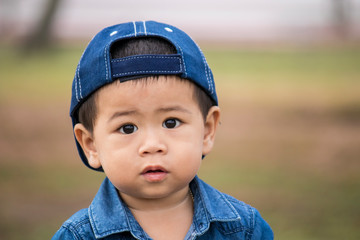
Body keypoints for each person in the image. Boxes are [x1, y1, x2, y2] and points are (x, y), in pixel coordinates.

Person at [52, 21, 273, 240]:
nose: (152, 145)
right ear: (91, 145)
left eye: (171, 123)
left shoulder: (245, 229)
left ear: (207, 131)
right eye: (127, 128)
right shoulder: (78, 236)